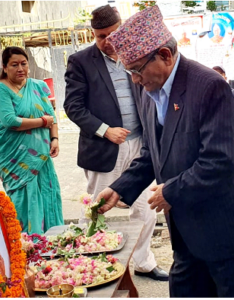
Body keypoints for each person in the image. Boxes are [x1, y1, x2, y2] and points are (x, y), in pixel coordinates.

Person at [96, 5, 234, 297]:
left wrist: (171, 191)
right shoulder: (147, 89)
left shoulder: (209, 87)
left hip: (227, 225)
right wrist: (120, 188)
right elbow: (154, 151)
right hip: (187, 228)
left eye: (136, 70)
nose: (134, 80)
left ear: (165, 56)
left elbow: (221, 160)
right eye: (128, 72)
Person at [63, 5, 167, 282]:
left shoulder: (135, 55)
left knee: (145, 208)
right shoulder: (80, 61)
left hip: (141, 147)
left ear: (122, 28)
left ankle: (143, 262)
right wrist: (105, 130)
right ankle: (91, 265)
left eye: (112, 33)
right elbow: (72, 106)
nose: (107, 40)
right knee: (97, 209)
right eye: (100, 36)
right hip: (104, 148)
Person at [0, 46, 63, 234]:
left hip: (41, 156)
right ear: (5, 67)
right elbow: (10, 121)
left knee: (47, 195)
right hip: (13, 156)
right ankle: (27, 247)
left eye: (24, 64)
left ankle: (50, 244)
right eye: (14, 65)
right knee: (23, 199)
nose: (20, 68)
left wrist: (54, 138)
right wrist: (42, 122)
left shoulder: (37, 86)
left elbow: (51, 115)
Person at [212, 66, 234, 135]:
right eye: (213, 76)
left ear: (225, 77)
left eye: (220, 75)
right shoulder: (207, 97)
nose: (217, 78)